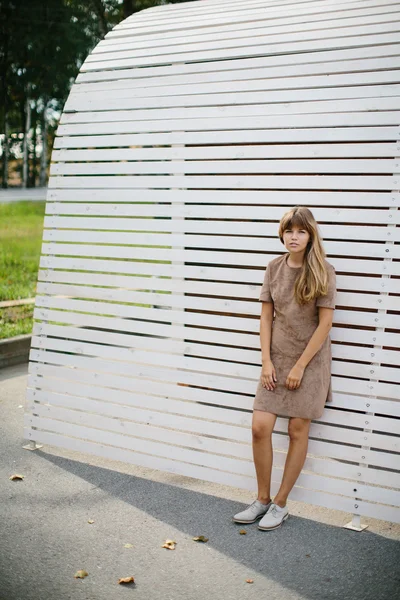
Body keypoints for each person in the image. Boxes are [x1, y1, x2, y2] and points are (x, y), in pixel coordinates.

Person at [233, 206, 337, 531]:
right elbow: (266, 317)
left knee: (297, 430)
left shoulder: (323, 271)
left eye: (301, 231)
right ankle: (262, 499)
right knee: (259, 428)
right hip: (276, 359)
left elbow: (325, 324)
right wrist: (266, 361)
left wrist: (301, 367)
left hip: (310, 361)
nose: (294, 236)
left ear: (311, 236)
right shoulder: (273, 267)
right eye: (289, 230)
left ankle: (280, 503)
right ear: (282, 233)